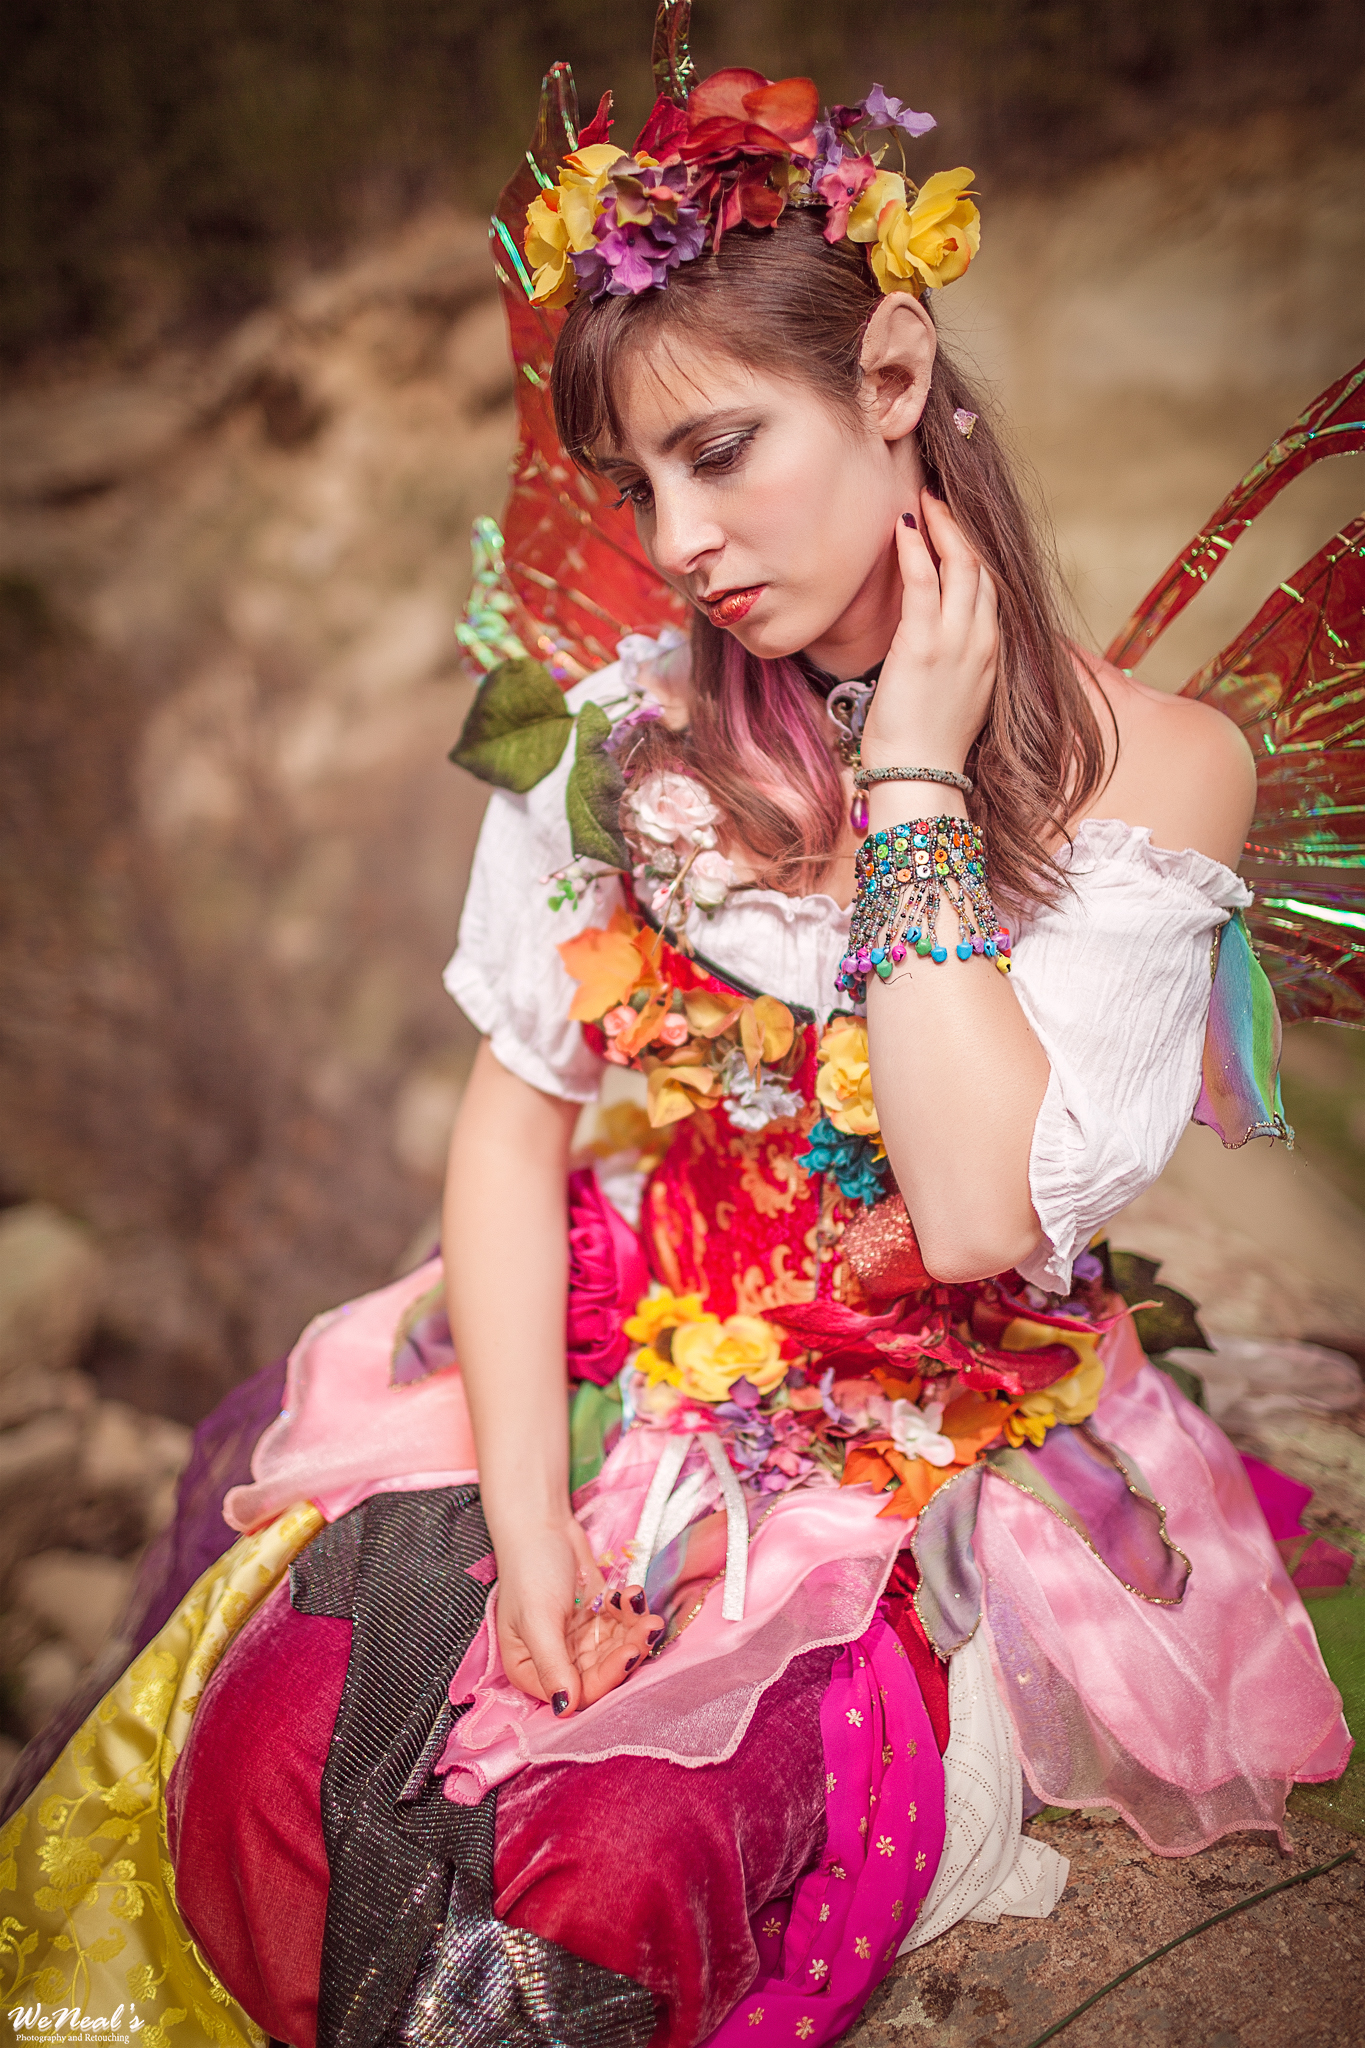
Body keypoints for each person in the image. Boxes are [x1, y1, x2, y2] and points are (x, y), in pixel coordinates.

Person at [3, 34, 1350, 2048]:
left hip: (920, 1458)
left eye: (721, 452)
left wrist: (910, 781)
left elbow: (975, 1215)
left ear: (890, 378)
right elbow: (512, 1118)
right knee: (283, 1767)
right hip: (630, 1373)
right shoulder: (612, 742)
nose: (680, 538)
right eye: (636, 485)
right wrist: (529, 1527)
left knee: (610, 1883)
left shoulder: (1156, 774)